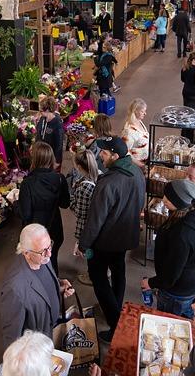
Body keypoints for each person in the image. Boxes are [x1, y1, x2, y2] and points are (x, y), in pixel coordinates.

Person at [77, 136, 144, 342]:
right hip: (126, 237)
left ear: (115, 156)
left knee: (98, 277)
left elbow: (95, 219)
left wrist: (84, 243)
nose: (100, 156)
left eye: (104, 153)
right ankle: (117, 307)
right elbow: (140, 201)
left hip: (105, 241)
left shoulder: (107, 183)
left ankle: (116, 324)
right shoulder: (136, 172)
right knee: (118, 271)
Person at [0, 224, 75, 349]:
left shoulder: (42, 257)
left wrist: (57, 287)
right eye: (43, 251)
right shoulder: (14, 289)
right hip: (36, 345)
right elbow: (12, 336)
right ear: (26, 253)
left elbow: (40, 285)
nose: (50, 254)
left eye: (49, 246)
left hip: (51, 328)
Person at [142, 180, 195, 318]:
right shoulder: (190, 213)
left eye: (169, 197)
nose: (164, 199)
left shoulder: (181, 235)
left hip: (176, 292)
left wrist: (150, 283)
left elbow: (171, 275)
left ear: (179, 202)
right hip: (187, 284)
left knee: (168, 322)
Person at [18, 142, 70, 274]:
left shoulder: (27, 183)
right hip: (54, 229)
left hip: (34, 233)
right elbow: (65, 204)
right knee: (52, 261)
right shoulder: (59, 179)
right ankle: (55, 286)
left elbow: (25, 214)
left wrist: (15, 203)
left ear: (34, 160)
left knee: (36, 267)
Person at [69, 147, 100, 286]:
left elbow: (79, 212)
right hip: (98, 222)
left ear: (80, 167)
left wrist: (70, 201)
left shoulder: (84, 188)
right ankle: (102, 270)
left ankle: (92, 274)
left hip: (86, 226)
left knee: (89, 251)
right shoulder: (99, 175)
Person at [121, 98, 150, 168]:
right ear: (135, 111)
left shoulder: (139, 121)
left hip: (145, 162)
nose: (145, 113)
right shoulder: (128, 130)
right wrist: (141, 165)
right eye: (142, 111)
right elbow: (125, 152)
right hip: (137, 166)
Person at [36, 96, 64, 165]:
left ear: (47, 110)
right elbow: (39, 134)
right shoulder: (42, 119)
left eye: (41, 111)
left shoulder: (57, 123)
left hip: (50, 157)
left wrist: (56, 161)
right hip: (41, 154)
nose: (40, 113)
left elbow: (59, 144)